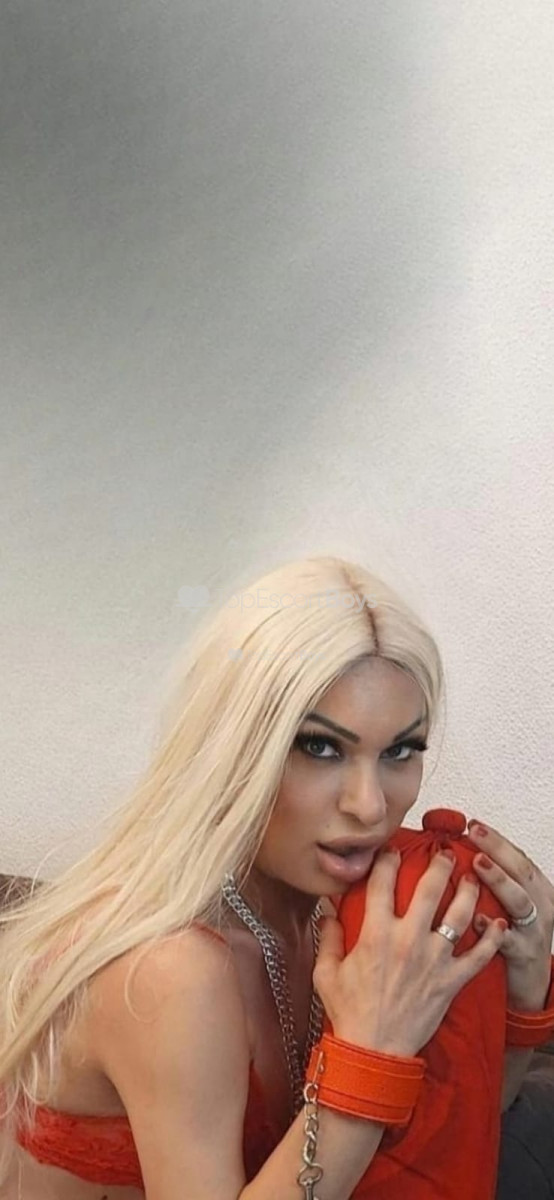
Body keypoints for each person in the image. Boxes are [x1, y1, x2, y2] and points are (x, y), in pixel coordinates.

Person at [0, 554, 552, 1200]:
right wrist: (369, 1054)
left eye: (400, 750)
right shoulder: (172, 969)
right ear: (232, 749)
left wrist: (522, 1001)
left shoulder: (337, 911)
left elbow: (458, 1137)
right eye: (320, 746)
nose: (370, 805)